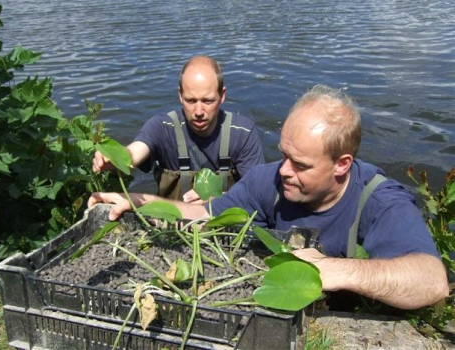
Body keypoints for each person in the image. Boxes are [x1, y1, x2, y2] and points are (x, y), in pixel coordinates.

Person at [88, 85, 449, 310]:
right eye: (284, 154)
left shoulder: (379, 200)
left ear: (342, 164)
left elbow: (431, 281)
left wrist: (331, 270)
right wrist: (134, 201)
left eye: (301, 164)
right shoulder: (269, 181)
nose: (284, 170)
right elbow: (203, 214)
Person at [92, 55, 265, 203]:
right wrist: (115, 156)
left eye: (207, 101)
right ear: (180, 95)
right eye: (191, 100)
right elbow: (135, 151)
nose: (198, 112)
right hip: (174, 225)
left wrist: (219, 199)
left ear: (222, 96)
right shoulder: (162, 127)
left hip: (223, 220)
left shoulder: (242, 132)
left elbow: (257, 193)